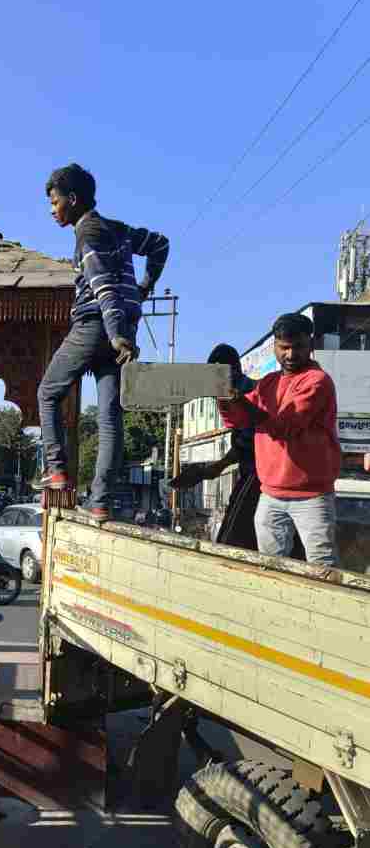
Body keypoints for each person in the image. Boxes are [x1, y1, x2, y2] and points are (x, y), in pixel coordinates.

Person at [36, 163, 169, 522]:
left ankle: (58, 471)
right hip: (122, 325)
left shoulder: (88, 233)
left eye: (54, 202)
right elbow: (160, 244)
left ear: (73, 199)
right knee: (110, 418)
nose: (52, 210)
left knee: (47, 392)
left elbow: (103, 287)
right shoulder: (117, 228)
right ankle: (100, 501)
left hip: (96, 326)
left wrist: (115, 334)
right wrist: (144, 286)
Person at [217, 313, 340, 566]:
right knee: (271, 566)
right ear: (275, 346)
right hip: (271, 494)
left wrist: (241, 402)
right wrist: (223, 397)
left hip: (312, 496)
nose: (291, 354)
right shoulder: (267, 384)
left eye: (298, 347)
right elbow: (237, 420)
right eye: (284, 347)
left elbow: (285, 427)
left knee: (322, 566)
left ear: (311, 345)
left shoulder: (318, 382)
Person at [171, 344, 259, 549]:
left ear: (232, 372)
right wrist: (213, 469)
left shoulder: (246, 394)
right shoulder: (233, 393)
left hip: (258, 474)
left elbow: (250, 444)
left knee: (228, 543)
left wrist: (216, 467)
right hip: (255, 471)